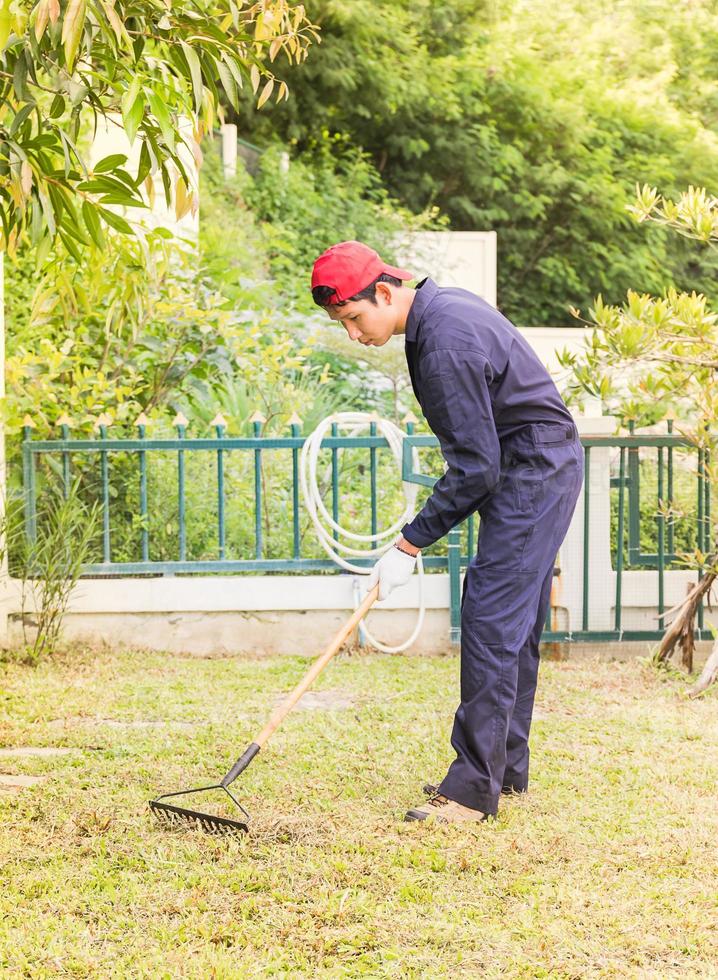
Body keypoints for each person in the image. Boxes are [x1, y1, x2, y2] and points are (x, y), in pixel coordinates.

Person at [311, 240, 584, 824]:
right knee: (512, 620)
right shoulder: (441, 315)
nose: (355, 335)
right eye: (344, 325)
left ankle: (469, 792)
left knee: (489, 617)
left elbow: (475, 469)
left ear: (384, 292)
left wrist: (407, 544)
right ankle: (503, 769)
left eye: (356, 319)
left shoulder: (443, 342)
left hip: (531, 468)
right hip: (536, 463)